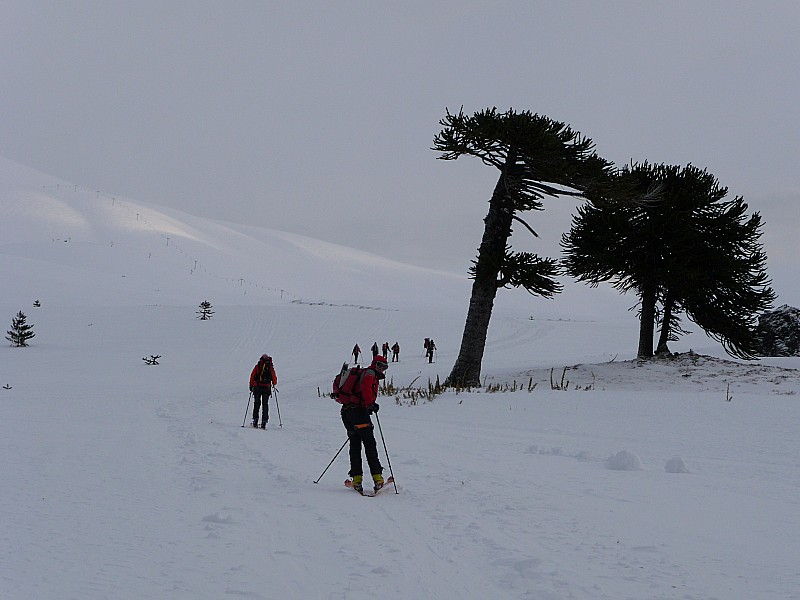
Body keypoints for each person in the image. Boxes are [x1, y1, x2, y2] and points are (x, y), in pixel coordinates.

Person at [339, 355, 388, 493]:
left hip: (347, 413)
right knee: (369, 444)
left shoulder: (365, 373)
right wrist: (370, 404)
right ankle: (378, 478)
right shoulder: (370, 374)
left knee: (355, 445)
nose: (382, 369)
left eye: (384, 367)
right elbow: (366, 388)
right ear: (374, 364)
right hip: (359, 413)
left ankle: (357, 479)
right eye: (380, 365)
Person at [249, 354, 277, 428]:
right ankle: (264, 421)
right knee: (265, 404)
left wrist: (251, 386)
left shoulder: (258, 366)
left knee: (257, 403)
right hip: (266, 388)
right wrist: (274, 383)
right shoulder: (270, 367)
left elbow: (252, 375)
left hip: (257, 387)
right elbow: (274, 378)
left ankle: (255, 419)